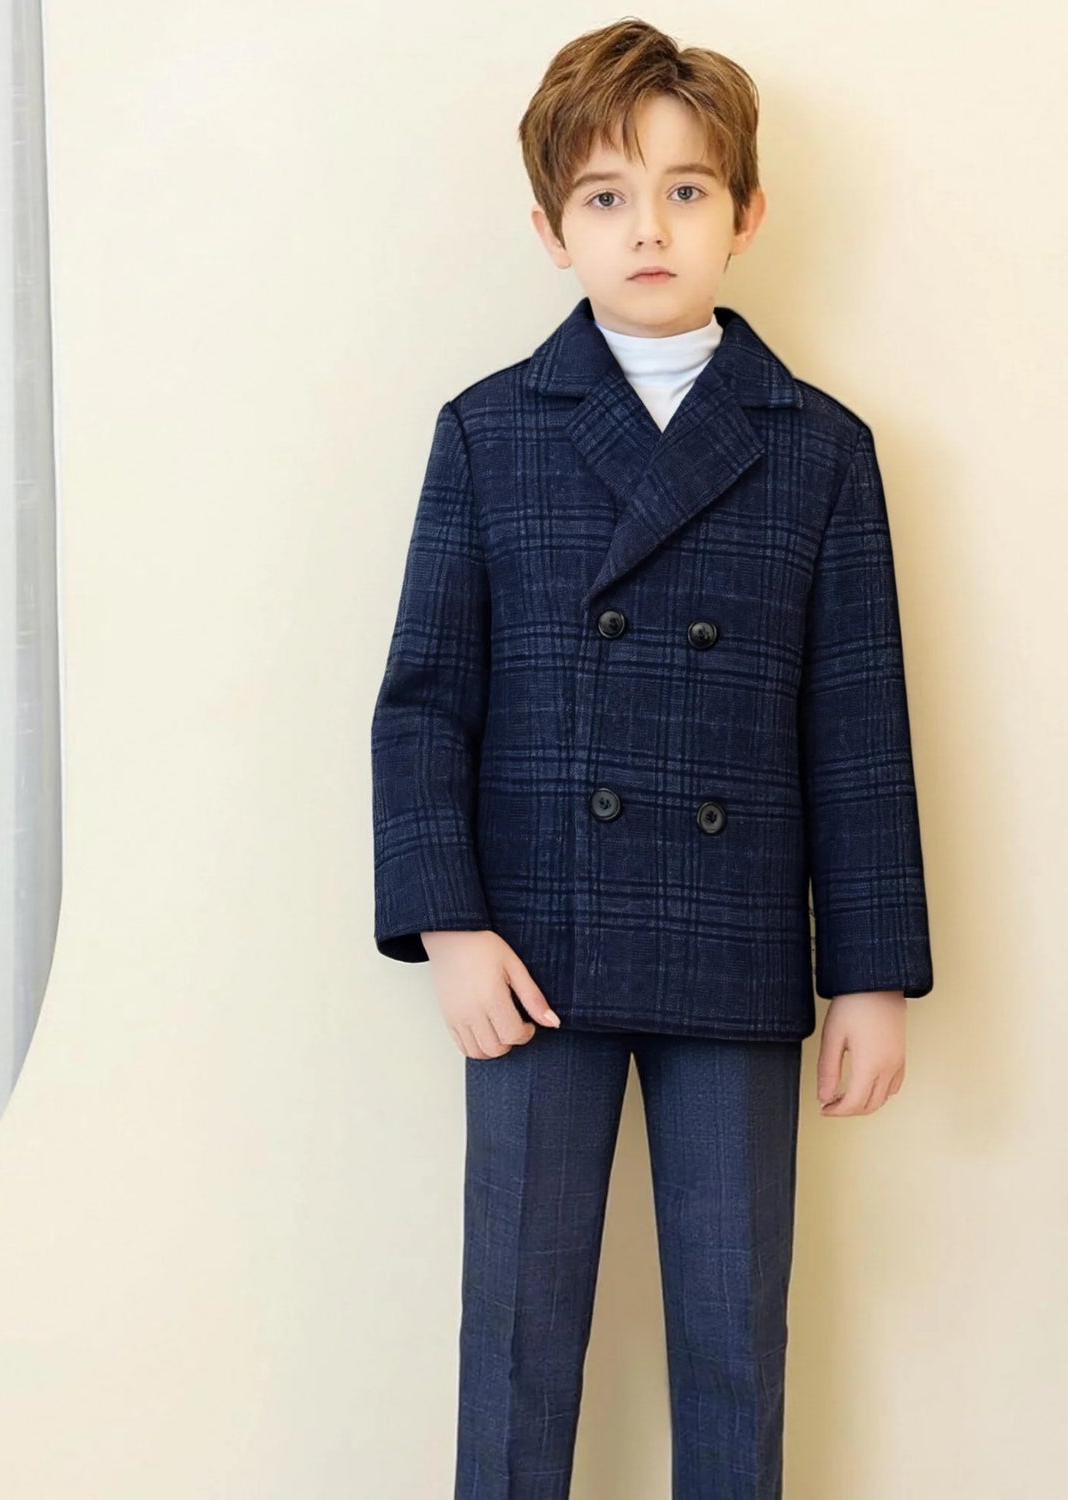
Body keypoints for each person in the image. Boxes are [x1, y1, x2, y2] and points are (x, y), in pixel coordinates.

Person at [370, 18, 935, 1497]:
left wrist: (868, 975)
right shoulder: (489, 432)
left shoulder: (820, 448)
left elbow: (857, 729)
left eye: (687, 191)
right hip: (532, 951)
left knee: (737, 1339)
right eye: (608, 196)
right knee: (516, 1338)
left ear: (746, 214)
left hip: (735, 949)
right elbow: (424, 702)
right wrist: (449, 926)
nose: (649, 227)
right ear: (551, 229)